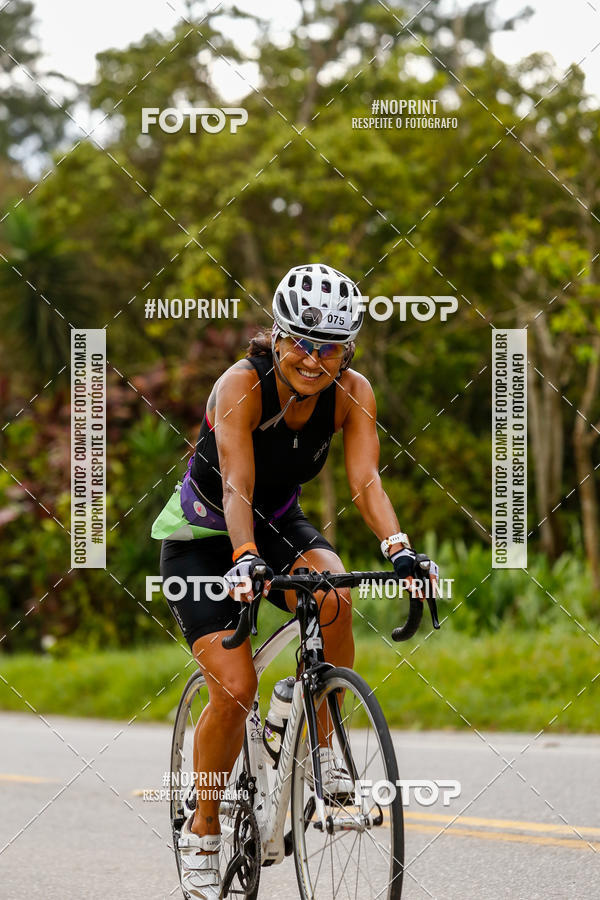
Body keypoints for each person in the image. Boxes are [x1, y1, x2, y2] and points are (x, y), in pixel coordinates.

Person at [152, 263, 434, 899]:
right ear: (277, 337)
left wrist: (400, 549)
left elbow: (365, 481)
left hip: (277, 525)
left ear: (348, 348)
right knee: (236, 685)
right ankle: (203, 830)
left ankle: (325, 751)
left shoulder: (352, 392)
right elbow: (236, 485)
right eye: (301, 341)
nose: (313, 358)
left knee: (332, 589)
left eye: (329, 344)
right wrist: (245, 557)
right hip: (203, 540)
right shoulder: (240, 387)